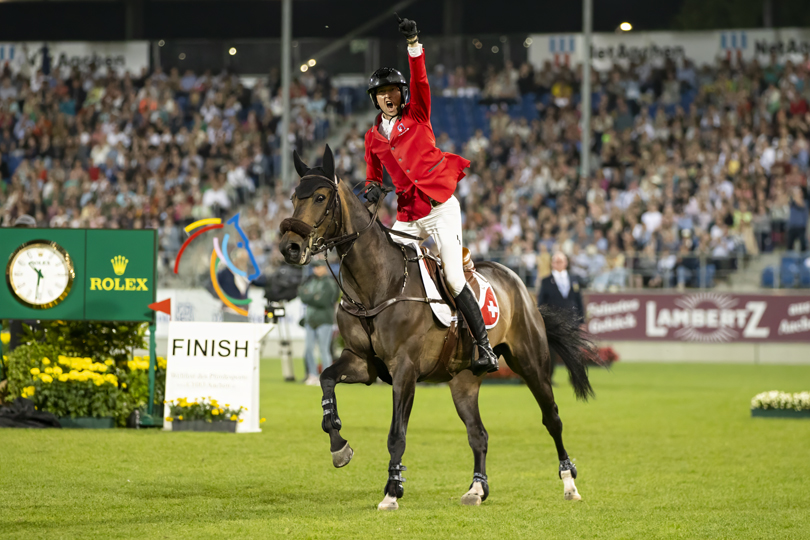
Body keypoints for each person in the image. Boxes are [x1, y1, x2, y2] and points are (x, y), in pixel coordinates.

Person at [363, 14, 498, 375]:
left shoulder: (418, 113)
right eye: (381, 93)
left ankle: (484, 346)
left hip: (440, 211)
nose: (388, 97)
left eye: (392, 91)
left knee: (453, 277)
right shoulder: (372, 137)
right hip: (407, 217)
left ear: (401, 94)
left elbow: (421, 78)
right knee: (384, 270)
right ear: (375, 100)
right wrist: (371, 190)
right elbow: (371, 177)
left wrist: (414, 45)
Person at [297, 260, 340, 386]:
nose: (316, 270)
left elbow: (324, 301)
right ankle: (313, 375)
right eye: (315, 268)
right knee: (309, 349)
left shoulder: (330, 283)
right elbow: (302, 296)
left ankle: (326, 377)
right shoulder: (311, 281)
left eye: (319, 267)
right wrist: (313, 297)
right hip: (310, 319)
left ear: (324, 268)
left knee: (324, 349)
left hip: (324, 320)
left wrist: (309, 296)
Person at [537, 252, 585, 323]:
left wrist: (581, 320)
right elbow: (541, 302)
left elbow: (578, 300)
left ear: (566, 263)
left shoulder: (574, 279)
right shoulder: (546, 281)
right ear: (552, 263)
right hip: (553, 321)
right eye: (556, 261)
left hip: (572, 320)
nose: (559, 264)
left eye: (561, 261)